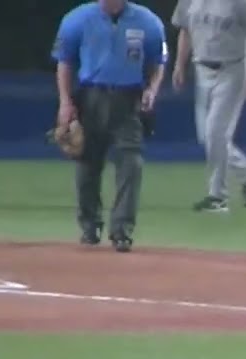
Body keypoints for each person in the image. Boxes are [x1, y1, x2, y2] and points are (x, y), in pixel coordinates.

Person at [52, 0, 167, 252]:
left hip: (128, 98)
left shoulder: (148, 21)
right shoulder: (77, 19)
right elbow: (65, 61)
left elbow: (158, 61)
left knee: (131, 162)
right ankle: (89, 225)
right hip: (90, 96)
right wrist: (65, 102)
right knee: (87, 164)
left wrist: (152, 90)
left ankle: (122, 230)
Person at [171, 0, 246, 213]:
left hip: (232, 70)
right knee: (207, 138)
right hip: (202, 69)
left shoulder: (239, 2)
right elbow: (185, 30)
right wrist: (179, 64)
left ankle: (218, 196)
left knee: (215, 133)